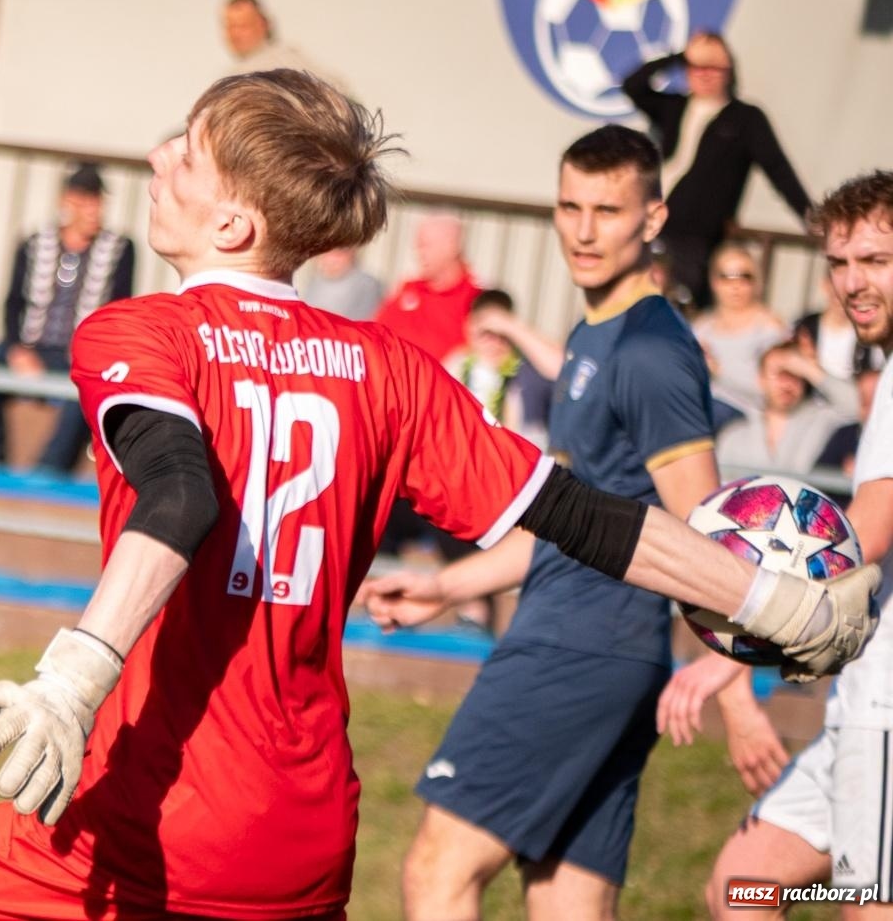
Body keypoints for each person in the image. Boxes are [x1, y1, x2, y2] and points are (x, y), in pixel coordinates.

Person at [0, 72, 875, 921]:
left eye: (188, 151)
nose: (158, 158)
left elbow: (180, 495)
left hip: (145, 815)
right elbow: (586, 516)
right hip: (301, 839)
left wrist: (75, 674)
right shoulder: (388, 364)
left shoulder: (143, 330)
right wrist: (770, 600)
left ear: (233, 224)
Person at [359, 126, 758, 919]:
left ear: (653, 218)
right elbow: (566, 519)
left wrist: (737, 689)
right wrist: (448, 585)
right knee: (566, 901)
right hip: (602, 647)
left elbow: (708, 539)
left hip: (579, 646)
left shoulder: (649, 350)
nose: (583, 230)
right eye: (571, 206)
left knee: (437, 870)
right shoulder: (593, 333)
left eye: (608, 210)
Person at [649, 171, 893, 919]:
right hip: (860, 706)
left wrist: (733, 651)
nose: (852, 282)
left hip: (886, 718)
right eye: (839, 262)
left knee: (867, 904)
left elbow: (858, 537)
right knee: (743, 886)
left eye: (876, 260)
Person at [0, 163, 134, 473]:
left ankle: (50, 467)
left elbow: (118, 311)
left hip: (78, 355)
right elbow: (12, 302)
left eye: (97, 200)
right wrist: (17, 350)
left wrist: (88, 349)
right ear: (66, 201)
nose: (93, 209)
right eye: (85, 200)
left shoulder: (120, 248)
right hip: (31, 348)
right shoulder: (35, 242)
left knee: (96, 377)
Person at [623, 32, 810, 309]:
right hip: (651, 226)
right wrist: (681, 56)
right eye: (697, 67)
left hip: (695, 240)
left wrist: (810, 216)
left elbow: (778, 169)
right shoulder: (674, 106)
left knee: (679, 311)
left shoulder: (745, 119)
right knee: (627, 301)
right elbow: (633, 86)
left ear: (729, 71)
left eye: (714, 67)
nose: (705, 74)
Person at [715, 342, 860, 476]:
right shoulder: (735, 435)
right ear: (761, 379)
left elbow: (859, 407)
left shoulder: (823, 419)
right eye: (778, 375)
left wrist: (808, 368)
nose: (786, 384)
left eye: (794, 375)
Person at [694, 242, 790, 421]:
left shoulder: (770, 329)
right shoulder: (702, 327)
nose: (735, 285)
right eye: (726, 276)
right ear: (713, 281)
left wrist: (719, 372)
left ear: (756, 281)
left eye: (744, 276)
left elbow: (775, 391)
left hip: (746, 417)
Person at [443, 288, 554, 441]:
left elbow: (559, 368)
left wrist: (510, 326)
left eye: (500, 334)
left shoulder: (527, 373)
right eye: (485, 333)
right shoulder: (456, 365)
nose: (493, 342)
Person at [374, 214, 481, 361]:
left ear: (452, 246)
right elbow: (375, 334)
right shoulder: (408, 289)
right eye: (418, 246)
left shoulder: (475, 297)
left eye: (425, 245)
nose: (419, 254)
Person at [221, 0, 350, 94]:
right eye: (230, 27)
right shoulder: (235, 73)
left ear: (263, 25)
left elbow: (339, 88)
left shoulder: (282, 60)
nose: (235, 34)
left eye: (242, 26)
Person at [302, 245, 383, 321]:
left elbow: (362, 321)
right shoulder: (316, 282)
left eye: (337, 255)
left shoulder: (367, 285)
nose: (330, 260)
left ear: (351, 253)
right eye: (325, 253)